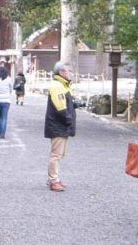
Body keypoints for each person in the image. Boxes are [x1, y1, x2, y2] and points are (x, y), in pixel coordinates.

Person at [44, 62, 76, 192]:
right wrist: (69, 120)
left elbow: (66, 103)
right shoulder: (57, 85)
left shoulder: (63, 85)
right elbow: (60, 107)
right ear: (62, 72)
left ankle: (54, 177)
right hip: (58, 124)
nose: (71, 73)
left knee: (60, 153)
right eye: (69, 71)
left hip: (61, 124)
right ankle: (53, 179)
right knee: (56, 154)